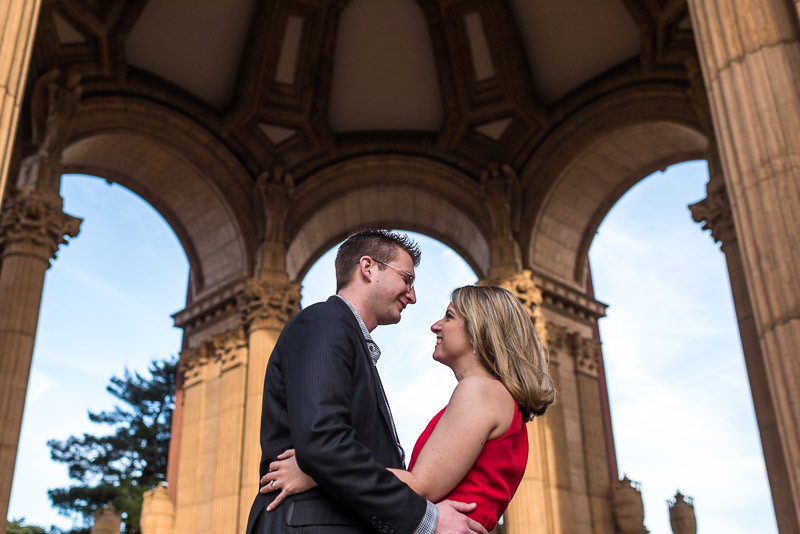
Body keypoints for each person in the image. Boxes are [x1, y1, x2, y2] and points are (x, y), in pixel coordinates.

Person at [245, 229, 488, 534]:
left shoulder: (348, 338)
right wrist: (427, 520)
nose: (413, 296)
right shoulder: (324, 321)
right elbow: (324, 442)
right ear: (368, 267)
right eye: (407, 280)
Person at [262, 284, 557, 531]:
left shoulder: (481, 391)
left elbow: (421, 485)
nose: (436, 325)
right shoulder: (495, 397)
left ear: (479, 331)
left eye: (450, 317)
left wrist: (317, 470)